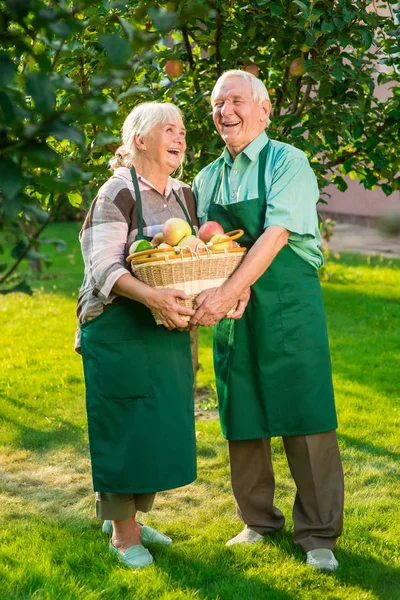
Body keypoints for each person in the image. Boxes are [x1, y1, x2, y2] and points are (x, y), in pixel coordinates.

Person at [191, 70, 344, 573]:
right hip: (233, 309)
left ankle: (318, 533)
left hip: (287, 305)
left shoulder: (287, 161)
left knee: (306, 413)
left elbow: (276, 235)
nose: (225, 111)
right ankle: (258, 520)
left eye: (235, 100)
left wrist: (229, 291)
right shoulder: (206, 177)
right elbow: (200, 249)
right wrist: (214, 293)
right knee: (243, 415)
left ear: (264, 107)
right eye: (217, 104)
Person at [76, 101, 198, 570]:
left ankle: (126, 518)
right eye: (170, 129)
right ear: (140, 140)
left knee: (154, 423)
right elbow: (103, 266)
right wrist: (153, 299)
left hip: (163, 323)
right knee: (123, 422)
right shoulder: (117, 191)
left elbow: (191, 256)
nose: (181, 137)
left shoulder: (185, 196)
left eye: (183, 130)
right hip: (116, 322)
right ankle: (123, 535)